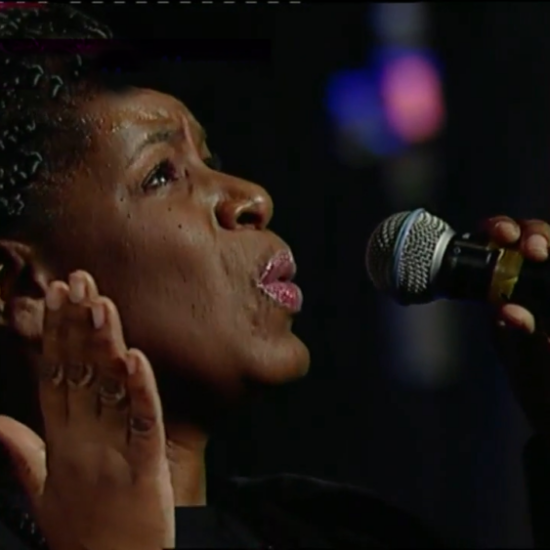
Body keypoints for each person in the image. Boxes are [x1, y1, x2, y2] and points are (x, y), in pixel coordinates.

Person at [0, 5, 548, 549]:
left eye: (210, 160)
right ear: (21, 286)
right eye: (162, 174)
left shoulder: (340, 533)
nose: (252, 198)